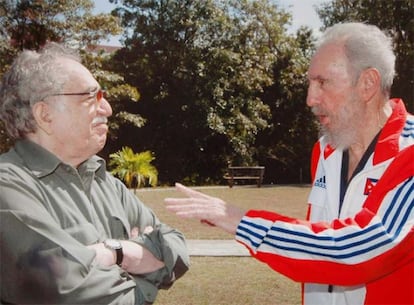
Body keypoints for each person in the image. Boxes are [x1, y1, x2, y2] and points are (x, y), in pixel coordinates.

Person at [165, 22, 414, 305]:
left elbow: (357, 252)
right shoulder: (325, 150)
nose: (310, 99)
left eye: (323, 83)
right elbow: (318, 244)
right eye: (309, 83)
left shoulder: (410, 153)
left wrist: (240, 221)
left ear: (367, 83)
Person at [0, 42, 189, 305]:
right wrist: (143, 275)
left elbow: (175, 247)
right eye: (92, 96)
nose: (107, 108)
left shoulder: (105, 182)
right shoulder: (8, 186)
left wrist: (118, 253)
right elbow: (67, 291)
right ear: (45, 115)